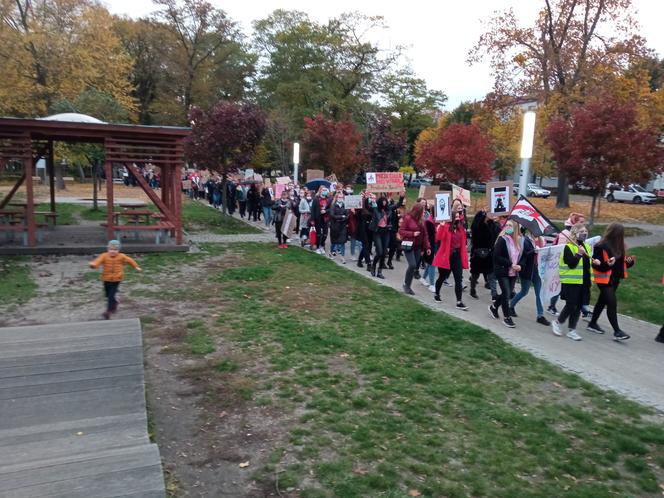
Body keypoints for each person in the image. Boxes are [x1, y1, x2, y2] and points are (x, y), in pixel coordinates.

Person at [587, 223, 634, 341]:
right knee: (612, 303)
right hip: (604, 280)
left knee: (602, 302)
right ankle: (617, 331)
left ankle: (592, 324)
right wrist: (607, 265)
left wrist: (629, 262)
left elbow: (621, 265)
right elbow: (596, 265)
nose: (621, 237)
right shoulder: (601, 246)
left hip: (615, 279)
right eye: (619, 234)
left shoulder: (621, 246)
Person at [551, 224, 592, 341]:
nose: (585, 233)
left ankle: (572, 329)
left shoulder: (586, 247)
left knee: (579, 306)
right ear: (575, 233)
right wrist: (578, 254)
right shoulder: (569, 247)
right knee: (571, 305)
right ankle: (558, 322)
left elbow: (587, 263)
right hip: (572, 281)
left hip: (583, 282)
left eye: (585, 231)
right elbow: (571, 263)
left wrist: (596, 262)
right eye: (582, 231)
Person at [89, 240, 141, 320]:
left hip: (117, 279)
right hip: (106, 279)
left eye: (115, 250)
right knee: (107, 294)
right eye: (111, 249)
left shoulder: (121, 256)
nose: (113, 251)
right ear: (108, 249)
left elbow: (130, 260)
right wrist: (94, 265)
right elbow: (98, 261)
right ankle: (115, 303)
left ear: (118, 250)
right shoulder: (104, 256)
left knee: (111, 296)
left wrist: (136, 266)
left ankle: (108, 312)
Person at [548, 213, 587, 317]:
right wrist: (578, 254)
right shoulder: (565, 234)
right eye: (581, 222)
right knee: (559, 287)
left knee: (571, 297)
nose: (583, 224)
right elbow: (562, 250)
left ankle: (582, 310)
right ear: (575, 222)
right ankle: (552, 307)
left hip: (576, 273)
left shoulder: (579, 237)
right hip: (563, 267)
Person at [509, 227, 551, 326]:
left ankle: (540, 316)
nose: (538, 232)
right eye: (537, 230)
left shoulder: (542, 240)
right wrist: (534, 251)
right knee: (524, 291)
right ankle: (511, 306)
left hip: (537, 270)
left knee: (539, 293)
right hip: (526, 270)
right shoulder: (525, 240)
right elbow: (522, 255)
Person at [432, 209, 469, 310]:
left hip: (457, 257)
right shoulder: (446, 227)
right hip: (446, 257)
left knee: (458, 279)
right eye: (456, 216)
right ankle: (437, 293)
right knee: (442, 277)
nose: (458, 217)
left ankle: (459, 301)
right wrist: (442, 225)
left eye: (458, 216)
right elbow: (438, 238)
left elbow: (463, 240)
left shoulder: (460, 228)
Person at [489, 220, 522, 328]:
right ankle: (507, 317)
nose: (507, 227)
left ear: (516, 228)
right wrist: (510, 264)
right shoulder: (502, 240)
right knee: (507, 293)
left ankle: (494, 307)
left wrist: (519, 265)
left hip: (513, 271)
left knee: (505, 293)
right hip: (502, 270)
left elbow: (520, 256)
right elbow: (496, 257)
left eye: (510, 226)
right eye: (507, 225)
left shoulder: (518, 241)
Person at [398, 202, 431, 295]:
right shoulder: (408, 218)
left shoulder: (422, 220)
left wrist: (427, 247)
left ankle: (407, 284)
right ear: (418, 211)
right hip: (409, 245)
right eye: (423, 210)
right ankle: (406, 285)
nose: (424, 212)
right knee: (412, 264)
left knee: (414, 266)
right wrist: (412, 234)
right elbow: (401, 231)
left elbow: (425, 235)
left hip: (418, 246)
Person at [368, 194, 403, 279]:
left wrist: (401, 196)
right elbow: (368, 206)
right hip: (377, 232)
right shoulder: (375, 209)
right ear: (380, 202)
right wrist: (367, 198)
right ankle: (373, 266)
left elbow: (398, 204)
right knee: (379, 252)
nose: (384, 202)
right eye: (382, 201)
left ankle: (380, 271)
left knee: (383, 253)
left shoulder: (389, 209)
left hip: (386, 232)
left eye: (385, 201)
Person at [469, 209, 499, 300]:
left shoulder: (492, 225)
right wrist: (483, 215)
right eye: (489, 213)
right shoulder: (477, 225)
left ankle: (494, 294)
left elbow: (495, 235)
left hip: (489, 253)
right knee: (475, 274)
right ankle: (472, 289)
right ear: (485, 215)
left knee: (491, 274)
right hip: (477, 254)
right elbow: (476, 227)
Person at [420, 200, 437, 293]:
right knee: (432, 263)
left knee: (431, 263)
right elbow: (428, 235)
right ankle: (432, 284)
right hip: (430, 244)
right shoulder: (429, 222)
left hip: (436, 244)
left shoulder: (437, 221)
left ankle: (423, 278)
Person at [310, 187, 332, 255]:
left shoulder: (328, 199)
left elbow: (330, 209)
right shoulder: (316, 199)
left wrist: (325, 211)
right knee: (318, 234)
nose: (324, 191)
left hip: (325, 218)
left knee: (325, 233)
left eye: (325, 190)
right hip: (318, 218)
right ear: (320, 191)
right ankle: (317, 247)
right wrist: (312, 220)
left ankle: (322, 245)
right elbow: (313, 210)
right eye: (323, 190)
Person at [329, 191, 349, 263]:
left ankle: (342, 257)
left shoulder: (345, 205)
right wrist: (341, 216)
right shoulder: (333, 205)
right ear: (336, 198)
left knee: (343, 242)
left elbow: (347, 215)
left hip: (343, 226)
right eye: (339, 197)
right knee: (334, 241)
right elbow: (332, 215)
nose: (340, 198)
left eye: (342, 197)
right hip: (335, 226)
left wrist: (343, 218)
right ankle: (331, 252)